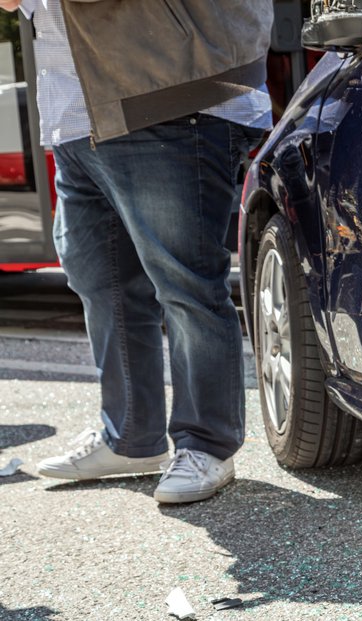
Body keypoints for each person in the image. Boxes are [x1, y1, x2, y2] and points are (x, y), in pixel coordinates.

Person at [0, 0, 273, 503]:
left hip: (171, 95)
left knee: (185, 282)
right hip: (77, 110)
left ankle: (206, 444)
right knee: (99, 279)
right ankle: (129, 437)